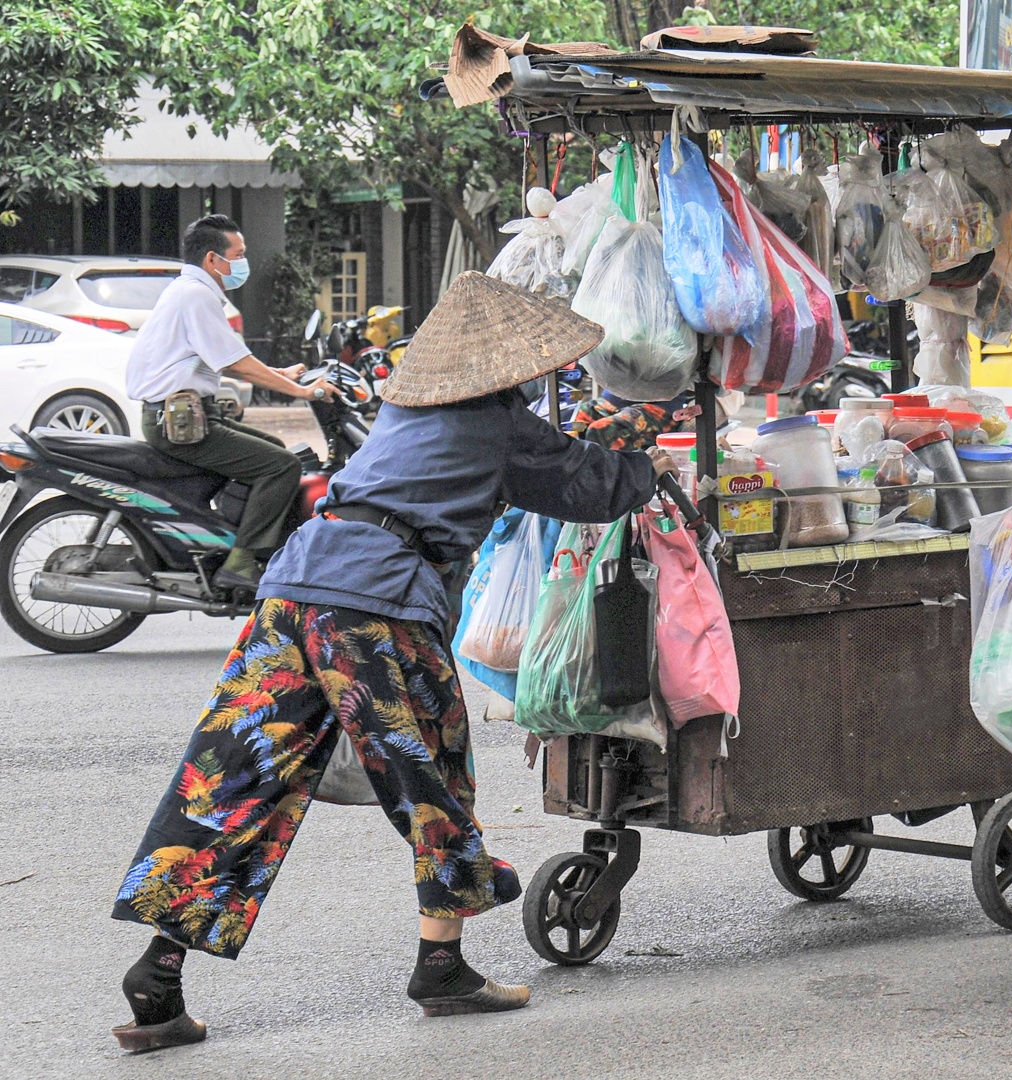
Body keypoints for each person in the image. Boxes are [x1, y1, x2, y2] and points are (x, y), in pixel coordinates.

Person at [109, 272, 672, 1053]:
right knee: (435, 776)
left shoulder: (409, 405)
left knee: (234, 777)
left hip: (297, 586)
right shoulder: (502, 422)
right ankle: (441, 965)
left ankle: (157, 975)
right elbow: (591, 486)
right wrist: (652, 462)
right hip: (376, 600)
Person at [125, 214, 340, 590]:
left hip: (187, 414)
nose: (242, 263)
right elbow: (236, 364)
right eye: (237, 255)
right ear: (212, 260)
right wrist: (305, 391)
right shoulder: (195, 295)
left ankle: (230, 540)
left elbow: (214, 357)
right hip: (180, 423)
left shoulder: (188, 291)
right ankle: (240, 564)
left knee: (273, 448)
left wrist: (280, 373)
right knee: (282, 466)